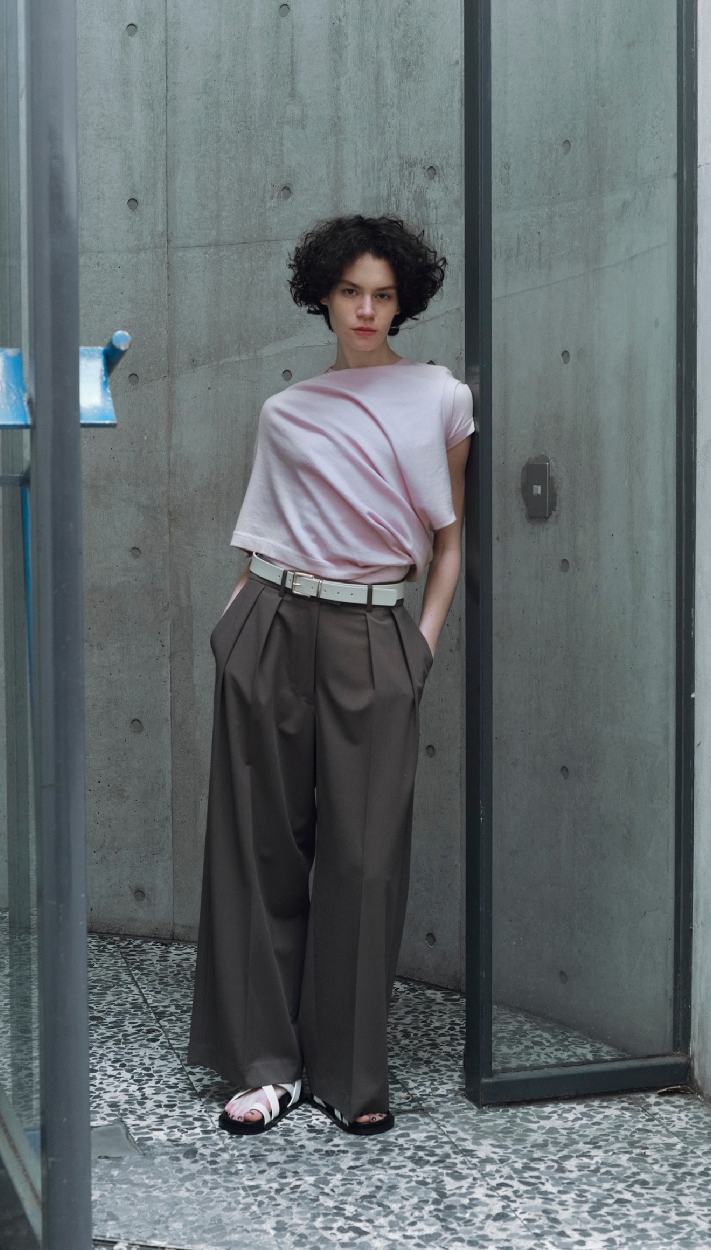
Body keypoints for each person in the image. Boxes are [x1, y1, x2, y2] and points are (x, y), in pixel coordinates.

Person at [188, 213, 474, 1136]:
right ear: (323, 295)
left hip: (374, 632)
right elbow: (260, 537)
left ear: (404, 303)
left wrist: (419, 646)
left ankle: (350, 1076)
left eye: (383, 295)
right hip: (270, 622)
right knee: (261, 848)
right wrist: (234, 630)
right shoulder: (287, 412)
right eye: (350, 291)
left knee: (364, 859)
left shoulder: (441, 398)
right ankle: (264, 1068)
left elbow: (449, 540)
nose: (365, 310)